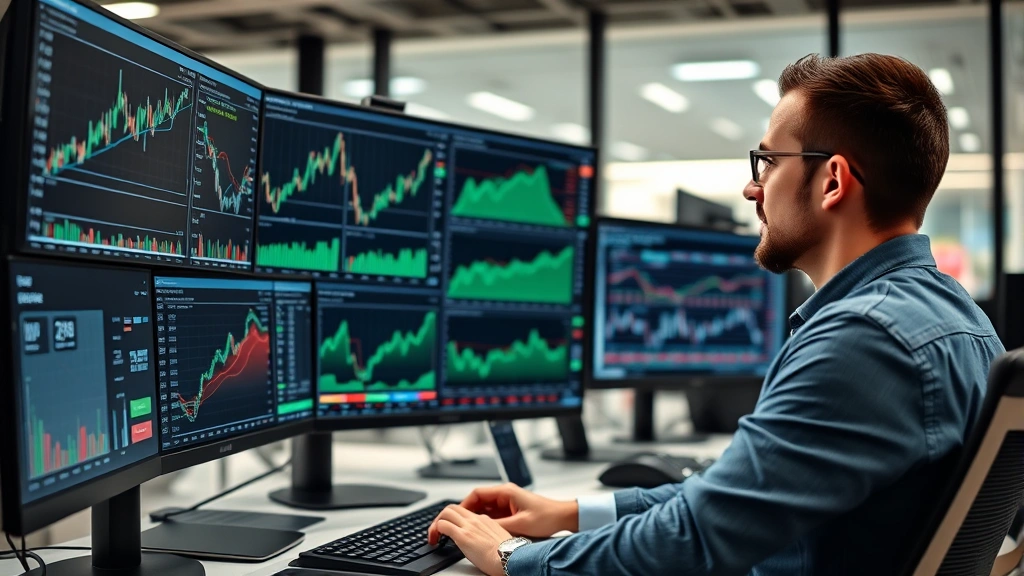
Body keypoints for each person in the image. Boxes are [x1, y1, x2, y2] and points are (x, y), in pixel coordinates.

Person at [426, 53, 1006, 576]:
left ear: (832, 181)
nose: (753, 190)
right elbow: (737, 498)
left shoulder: (862, 339)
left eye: (768, 162)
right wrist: (572, 512)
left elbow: (694, 540)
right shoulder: (961, 321)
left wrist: (517, 559)